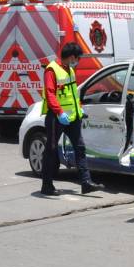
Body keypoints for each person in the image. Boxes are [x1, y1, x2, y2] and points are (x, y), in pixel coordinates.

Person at [39, 42, 101, 196]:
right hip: (56, 117)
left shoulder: (70, 70)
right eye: (77, 58)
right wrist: (60, 113)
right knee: (51, 150)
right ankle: (47, 185)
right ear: (72, 57)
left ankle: (86, 182)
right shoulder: (52, 70)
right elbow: (50, 94)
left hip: (72, 117)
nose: (78, 61)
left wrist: (79, 108)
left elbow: (73, 93)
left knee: (80, 148)